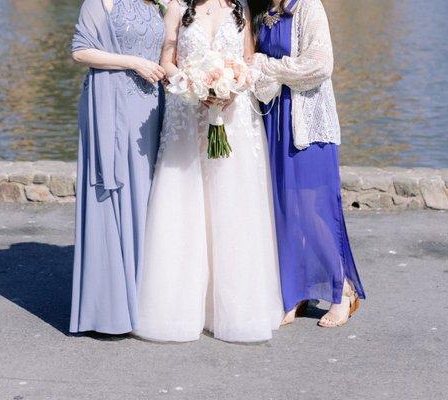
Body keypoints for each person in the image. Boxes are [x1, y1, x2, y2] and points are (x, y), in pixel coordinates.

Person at [134, 0, 284, 342]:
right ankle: (180, 307)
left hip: (233, 119)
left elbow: (248, 60)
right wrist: (189, 83)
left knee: (231, 206)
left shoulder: (240, 8)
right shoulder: (175, 8)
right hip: (188, 118)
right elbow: (166, 63)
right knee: (185, 204)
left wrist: (234, 86)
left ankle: (229, 309)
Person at [248, 0, 365, 327]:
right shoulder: (260, 10)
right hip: (274, 123)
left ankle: (342, 289)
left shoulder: (307, 7)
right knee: (284, 209)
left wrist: (270, 67)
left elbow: (320, 64)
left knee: (312, 208)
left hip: (307, 124)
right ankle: (296, 292)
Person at [69, 0, 166, 334]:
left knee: (148, 196)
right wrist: (134, 63)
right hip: (112, 103)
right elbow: (81, 51)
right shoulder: (102, 0)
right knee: (115, 194)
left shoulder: (157, 2)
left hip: (151, 110)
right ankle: (110, 308)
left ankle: (145, 298)